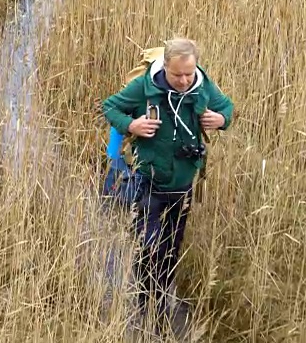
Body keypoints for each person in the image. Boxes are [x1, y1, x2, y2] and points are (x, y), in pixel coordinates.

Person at [100, 38, 234, 332]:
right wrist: (131, 126)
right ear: (166, 68)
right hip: (149, 182)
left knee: (171, 248)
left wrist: (220, 118)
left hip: (183, 186)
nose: (184, 80)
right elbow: (110, 107)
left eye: (189, 73)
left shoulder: (202, 86)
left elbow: (227, 108)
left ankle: (161, 300)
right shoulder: (145, 87)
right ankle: (145, 304)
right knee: (148, 247)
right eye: (178, 75)